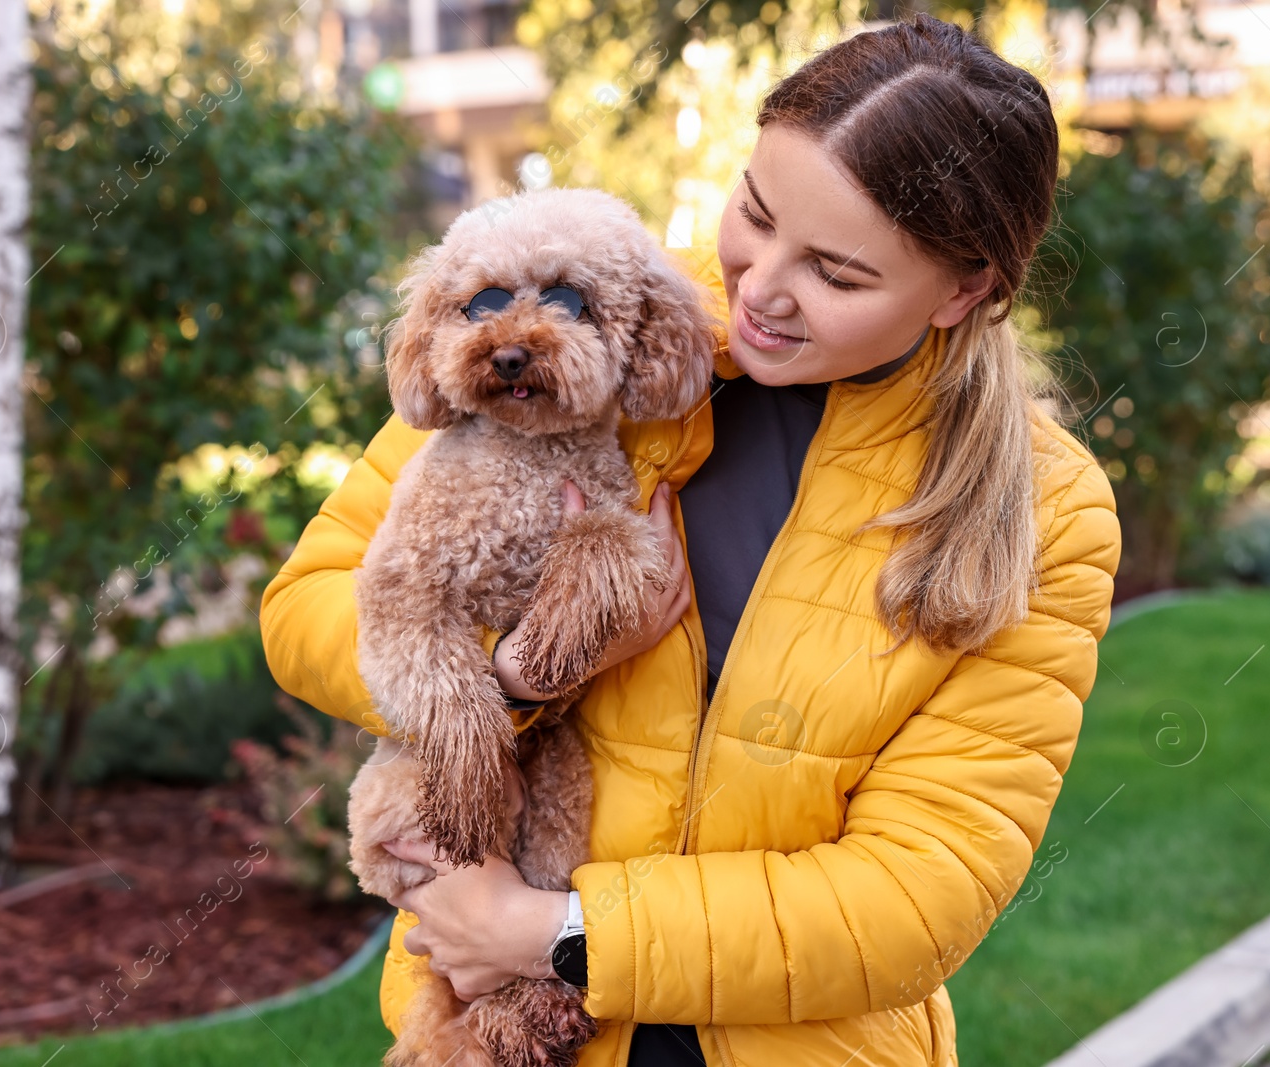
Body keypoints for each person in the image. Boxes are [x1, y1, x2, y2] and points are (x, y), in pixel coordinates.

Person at [258, 12, 1122, 1066]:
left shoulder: (1042, 508)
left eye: (836, 274)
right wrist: (520, 674)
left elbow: (915, 894)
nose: (758, 288)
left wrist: (551, 931)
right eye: (755, 213)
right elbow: (307, 605)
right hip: (489, 1034)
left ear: (963, 289)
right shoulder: (596, 314)